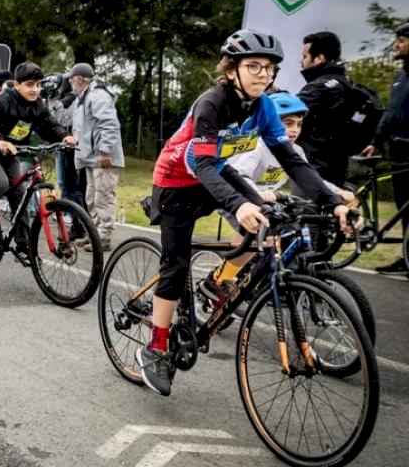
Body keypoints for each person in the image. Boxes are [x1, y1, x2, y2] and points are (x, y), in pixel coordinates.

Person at [139, 30, 352, 396]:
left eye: (269, 68)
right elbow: (202, 164)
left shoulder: (266, 106)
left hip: (217, 172)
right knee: (175, 264)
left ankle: (222, 283)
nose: (262, 74)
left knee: (268, 217)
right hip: (177, 180)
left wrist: (333, 201)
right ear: (232, 69)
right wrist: (240, 203)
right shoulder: (212, 103)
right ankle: (156, 346)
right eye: (253, 66)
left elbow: (291, 160)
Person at [0, 62, 76, 245]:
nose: (35, 90)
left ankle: (23, 244)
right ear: (17, 85)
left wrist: (65, 136)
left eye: (38, 85)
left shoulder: (37, 104)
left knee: (19, 192)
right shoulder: (3, 100)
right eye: (30, 85)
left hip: (9, 151)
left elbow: (49, 124)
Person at [221, 92, 355, 240]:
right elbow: (239, 175)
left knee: (287, 231)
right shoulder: (258, 145)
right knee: (265, 234)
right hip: (235, 196)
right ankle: (241, 260)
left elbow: (310, 178)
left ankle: (247, 259)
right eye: (288, 123)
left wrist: (337, 193)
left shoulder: (295, 150)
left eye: (299, 124)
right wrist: (258, 194)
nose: (295, 130)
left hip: (266, 202)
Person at [362, 22, 409, 273]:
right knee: (404, 207)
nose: (397, 45)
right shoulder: (401, 77)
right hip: (398, 150)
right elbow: (390, 114)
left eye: (402, 40)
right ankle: (407, 257)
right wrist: (376, 142)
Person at [69, 63, 123, 248]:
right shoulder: (82, 99)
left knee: (103, 197)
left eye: (71, 78)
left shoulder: (97, 96)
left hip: (102, 157)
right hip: (91, 158)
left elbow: (109, 124)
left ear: (79, 79)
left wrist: (105, 150)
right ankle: (95, 234)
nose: (69, 82)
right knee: (91, 198)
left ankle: (104, 237)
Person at [296, 31, 356, 185]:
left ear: (319, 59)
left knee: (305, 208)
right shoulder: (345, 83)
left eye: (305, 57)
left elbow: (286, 114)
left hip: (313, 165)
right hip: (338, 164)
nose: (301, 62)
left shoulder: (318, 87)